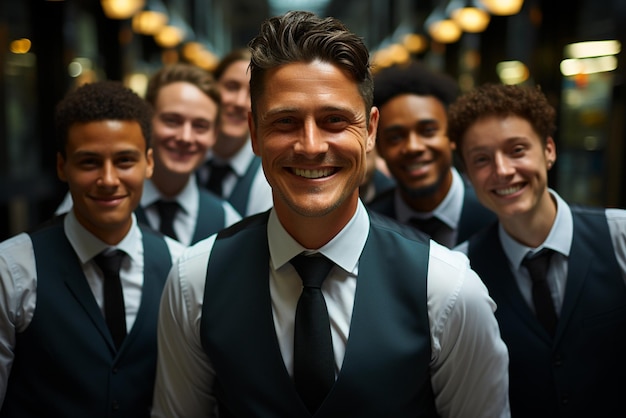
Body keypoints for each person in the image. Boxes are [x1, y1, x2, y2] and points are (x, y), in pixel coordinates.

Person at [152, 11, 510, 418]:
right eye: (285, 121)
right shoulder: (194, 280)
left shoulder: (448, 289)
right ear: (254, 132)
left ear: (371, 130)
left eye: (334, 120)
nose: (310, 146)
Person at [0, 81, 185, 417]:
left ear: (149, 163)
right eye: (89, 163)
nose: (109, 179)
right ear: (62, 166)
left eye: (125, 160)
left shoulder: (179, 264)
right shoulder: (12, 269)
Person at [448, 83, 626, 417]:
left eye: (517, 150)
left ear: (548, 150)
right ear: (469, 174)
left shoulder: (620, 235)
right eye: (482, 159)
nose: (502, 170)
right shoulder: (460, 272)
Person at [368, 60, 495, 248]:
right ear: (379, 147)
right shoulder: (370, 225)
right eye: (395, 137)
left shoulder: (494, 212)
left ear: (452, 135)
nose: (413, 147)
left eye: (428, 131)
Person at [136, 63, 241, 245]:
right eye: (172, 121)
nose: (185, 138)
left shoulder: (227, 223)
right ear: (146, 122)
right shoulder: (108, 205)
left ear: (214, 135)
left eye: (200, 126)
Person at [196, 48, 273, 217]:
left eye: (252, 94)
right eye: (231, 87)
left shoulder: (267, 180)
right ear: (211, 88)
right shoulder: (183, 153)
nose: (240, 102)